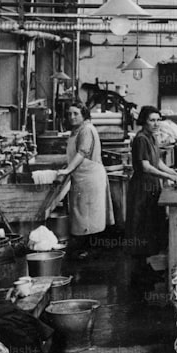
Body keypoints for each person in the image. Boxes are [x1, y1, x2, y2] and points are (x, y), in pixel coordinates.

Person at [126, 106, 177, 269]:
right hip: (142, 185)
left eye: (158, 120)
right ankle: (140, 268)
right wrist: (170, 177)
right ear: (143, 121)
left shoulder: (153, 137)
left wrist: (176, 173)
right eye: (151, 120)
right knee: (142, 223)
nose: (156, 124)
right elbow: (146, 166)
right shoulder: (141, 138)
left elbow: (158, 162)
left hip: (153, 183)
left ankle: (151, 262)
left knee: (153, 221)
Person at [57, 102, 113, 257]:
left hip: (90, 177)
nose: (72, 117)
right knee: (84, 214)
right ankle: (87, 249)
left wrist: (68, 169)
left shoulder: (86, 130)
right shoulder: (78, 130)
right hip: (82, 176)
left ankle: (90, 251)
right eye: (69, 114)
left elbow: (82, 152)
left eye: (76, 113)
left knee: (89, 215)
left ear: (84, 115)